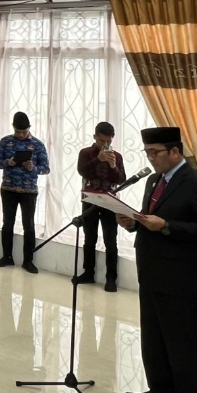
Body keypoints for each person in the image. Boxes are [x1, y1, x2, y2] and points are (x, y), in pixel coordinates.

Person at [118, 127, 197, 393]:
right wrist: (133, 223)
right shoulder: (153, 180)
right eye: (147, 153)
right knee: (154, 341)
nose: (151, 158)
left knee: (185, 345)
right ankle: (161, 392)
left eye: (155, 153)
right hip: (151, 274)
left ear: (175, 151)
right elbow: (152, 219)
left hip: (182, 280)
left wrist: (167, 226)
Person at [0, 111, 50, 273]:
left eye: (24, 132)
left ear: (29, 129)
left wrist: (33, 168)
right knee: (7, 223)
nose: (21, 135)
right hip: (8, 189)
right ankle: (7, 257)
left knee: (29, 226)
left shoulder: (37, 144)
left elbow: (46, 168)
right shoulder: (6, 142)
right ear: (13, 128)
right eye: (18, 132)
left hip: (29, 191)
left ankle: (28, 261)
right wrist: (8, 162)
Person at [75, 121, 126, 292]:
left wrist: (113, 166)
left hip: (110, 202)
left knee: (110, 240)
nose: (105, 144)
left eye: (108, 141)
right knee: (89, 237)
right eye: (101, 140)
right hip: (90, 199)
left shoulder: (117, 156)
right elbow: (82, 171)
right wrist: (98, 160)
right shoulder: (85, 153)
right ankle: (88, 272)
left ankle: (111, 278)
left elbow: (121, 180)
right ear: (94, 137)